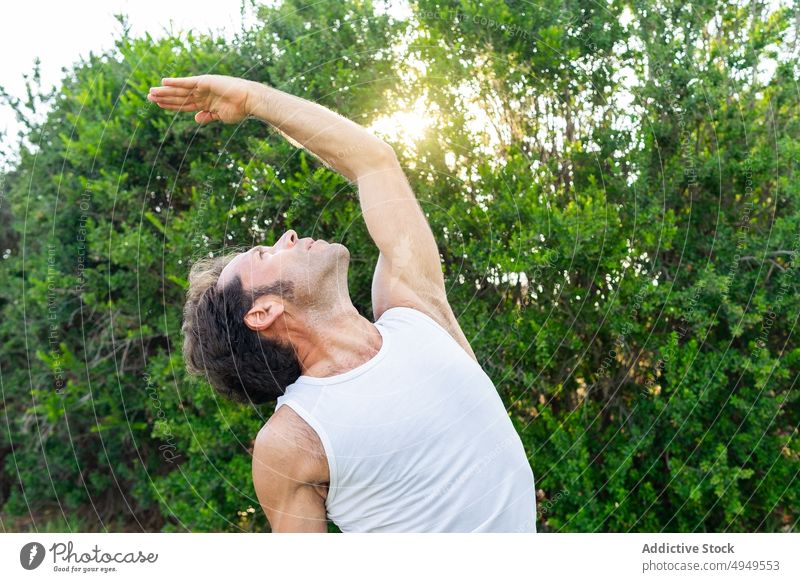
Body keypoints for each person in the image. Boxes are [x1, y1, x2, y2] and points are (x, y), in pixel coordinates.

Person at [148, 75, 537, 532]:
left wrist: (254, 100)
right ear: (262, 312)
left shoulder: (416, 309)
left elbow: (374, 162)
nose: (287, 237)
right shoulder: (292, 440)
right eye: (264, 255)